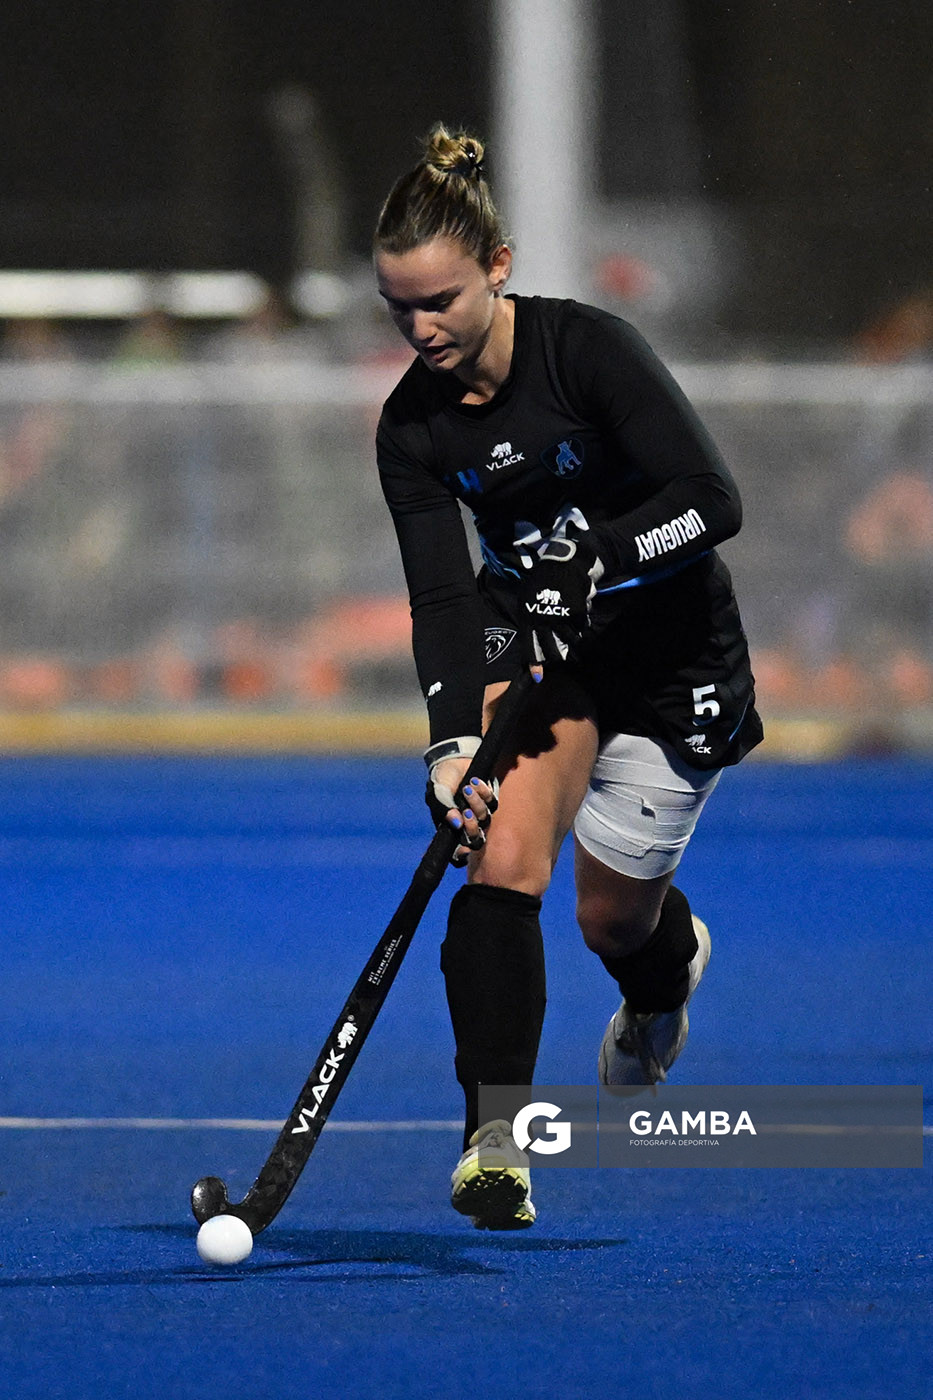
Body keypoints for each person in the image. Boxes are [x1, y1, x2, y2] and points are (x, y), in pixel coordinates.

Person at [374, 126, 762, 1231]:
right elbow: (446, 599)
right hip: (542, 647)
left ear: (497, 268)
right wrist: (451, 741)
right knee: (499, 856)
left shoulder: (587, 352)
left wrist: (597, 554)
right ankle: (494, 1136)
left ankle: (667, 971)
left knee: (612, 921)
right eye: (400, 309)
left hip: (676, 648)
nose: (422, 328)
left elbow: (712, 497)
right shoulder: (412, 425)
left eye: (440, 299)